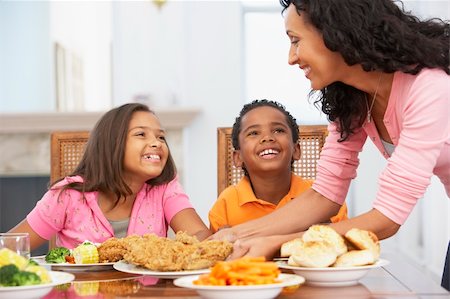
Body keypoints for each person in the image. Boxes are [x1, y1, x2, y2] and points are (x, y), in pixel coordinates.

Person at [211, 0, 449, 289]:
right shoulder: (354, 100)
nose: (291, 57)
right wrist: (235, 235)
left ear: (336, 31)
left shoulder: (431, 88)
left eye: (296, 41)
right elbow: (324, 196)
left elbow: (387, 218)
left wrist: (276, 244)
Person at [8, 103, 211, 249]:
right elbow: (12, 246)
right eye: (141, 134)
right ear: (112, 144)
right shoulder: (67, 195)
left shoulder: (165, 188)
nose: (157, 143)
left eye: (161, 137)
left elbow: (198, 235)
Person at [208, 99, 347, 232]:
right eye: (254, 133)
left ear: (296, 150)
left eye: (278, 130)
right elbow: (215, 253)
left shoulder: (325, 198)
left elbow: (345, 245)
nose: (267, 137)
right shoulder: (225, 205)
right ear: (238, 158)